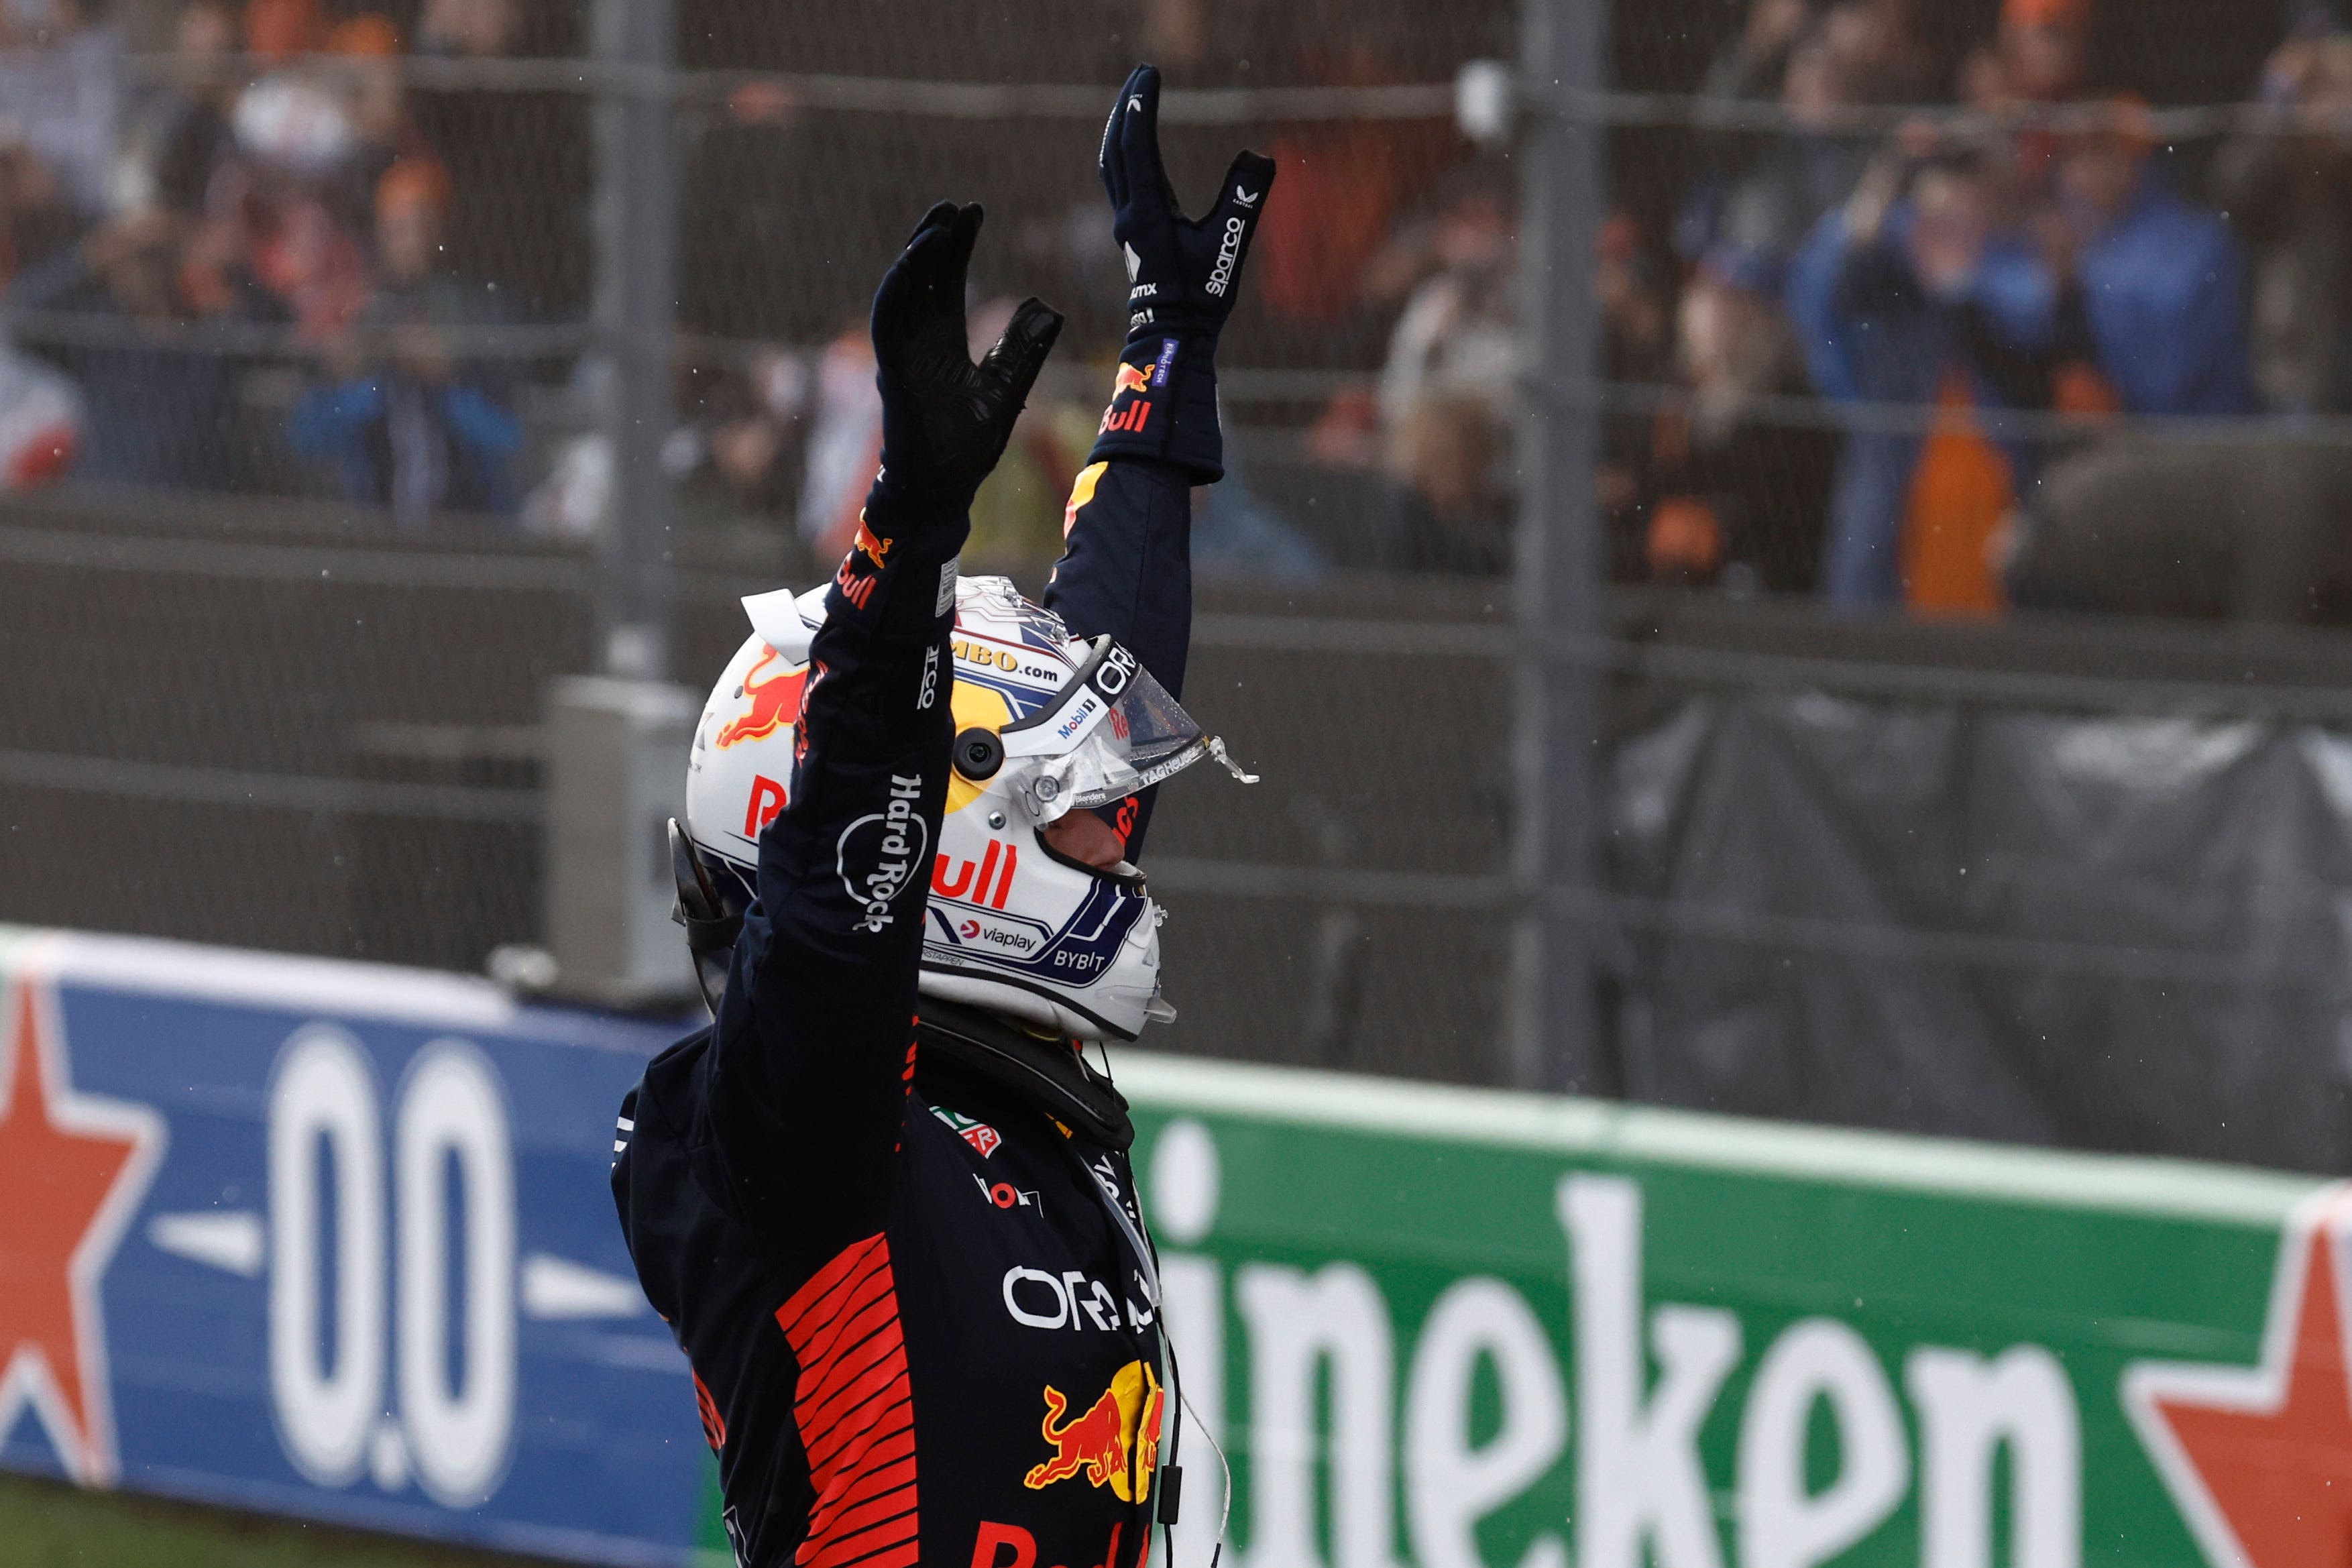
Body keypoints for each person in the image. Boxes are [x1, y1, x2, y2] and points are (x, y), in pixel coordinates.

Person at [612, 66, 1275, 1568]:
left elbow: (1090, 700)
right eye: (1082, 819)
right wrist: (901, 544)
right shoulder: (785, 1130)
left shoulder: (1006, 1075)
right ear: (947, 843)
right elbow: (847, 901)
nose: (1120, 836)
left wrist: (1164, 359)